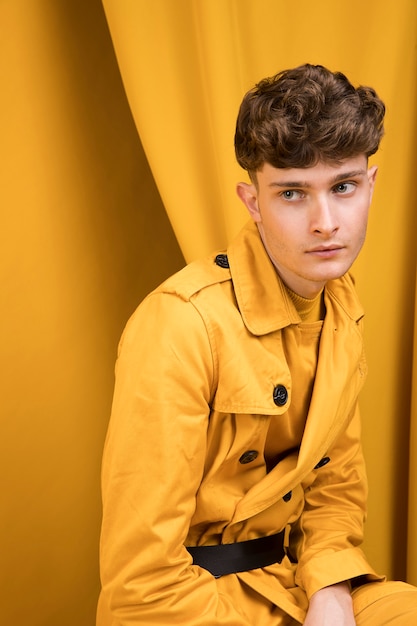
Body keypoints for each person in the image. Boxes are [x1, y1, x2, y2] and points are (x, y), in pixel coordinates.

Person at [97, 64, 417, 625]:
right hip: (190, 603)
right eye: (293, 193)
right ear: (253, 201)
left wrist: (331, 592)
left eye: (342, 187)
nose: (325, 223)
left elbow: (335, 490)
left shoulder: (340, 304)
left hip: (298, 582)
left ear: (370, 186)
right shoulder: (180, 325)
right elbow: (141, 582)